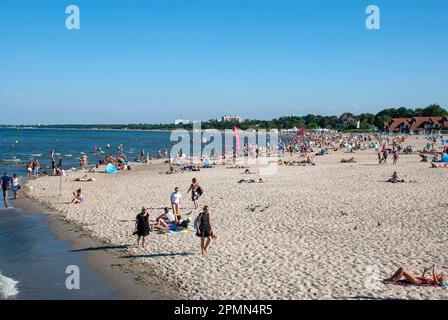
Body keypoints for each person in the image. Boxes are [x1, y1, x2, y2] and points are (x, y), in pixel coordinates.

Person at [384, 265, 448, 287]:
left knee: (403, 271)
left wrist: (434, 268)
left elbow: (434, 273)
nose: (437, 274)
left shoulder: (436, 281)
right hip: (416, 278)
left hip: (417, 281)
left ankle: (393, 282)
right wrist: (424, 272)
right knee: (401, 268)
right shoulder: (431, 277)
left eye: (439, 275)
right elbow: (423, 277)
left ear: (440, 278)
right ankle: (390, 278)